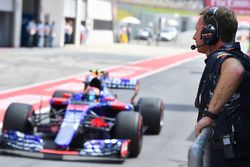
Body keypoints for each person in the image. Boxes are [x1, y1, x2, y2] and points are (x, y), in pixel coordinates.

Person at [193, 6, 250, 166]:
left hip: (230, 157)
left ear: (209, 33)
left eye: (197, 31)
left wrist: (209, 116)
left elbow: (234, 70)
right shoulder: (243, 58)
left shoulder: (219, 57)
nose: (194, 36)